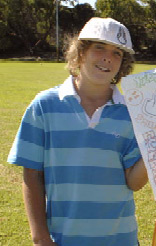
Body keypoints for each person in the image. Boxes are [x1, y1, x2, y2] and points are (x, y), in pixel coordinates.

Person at [7, 17, 148, 246]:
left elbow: (134, 182)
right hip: (64, 239)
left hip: (120, 239)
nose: (107, 58)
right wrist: (40, 237)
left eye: (117, 53)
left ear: (123, 64)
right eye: (99, 48)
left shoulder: (130, 113)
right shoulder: (44, 106)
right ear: (80, 52)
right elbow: (32, 175)